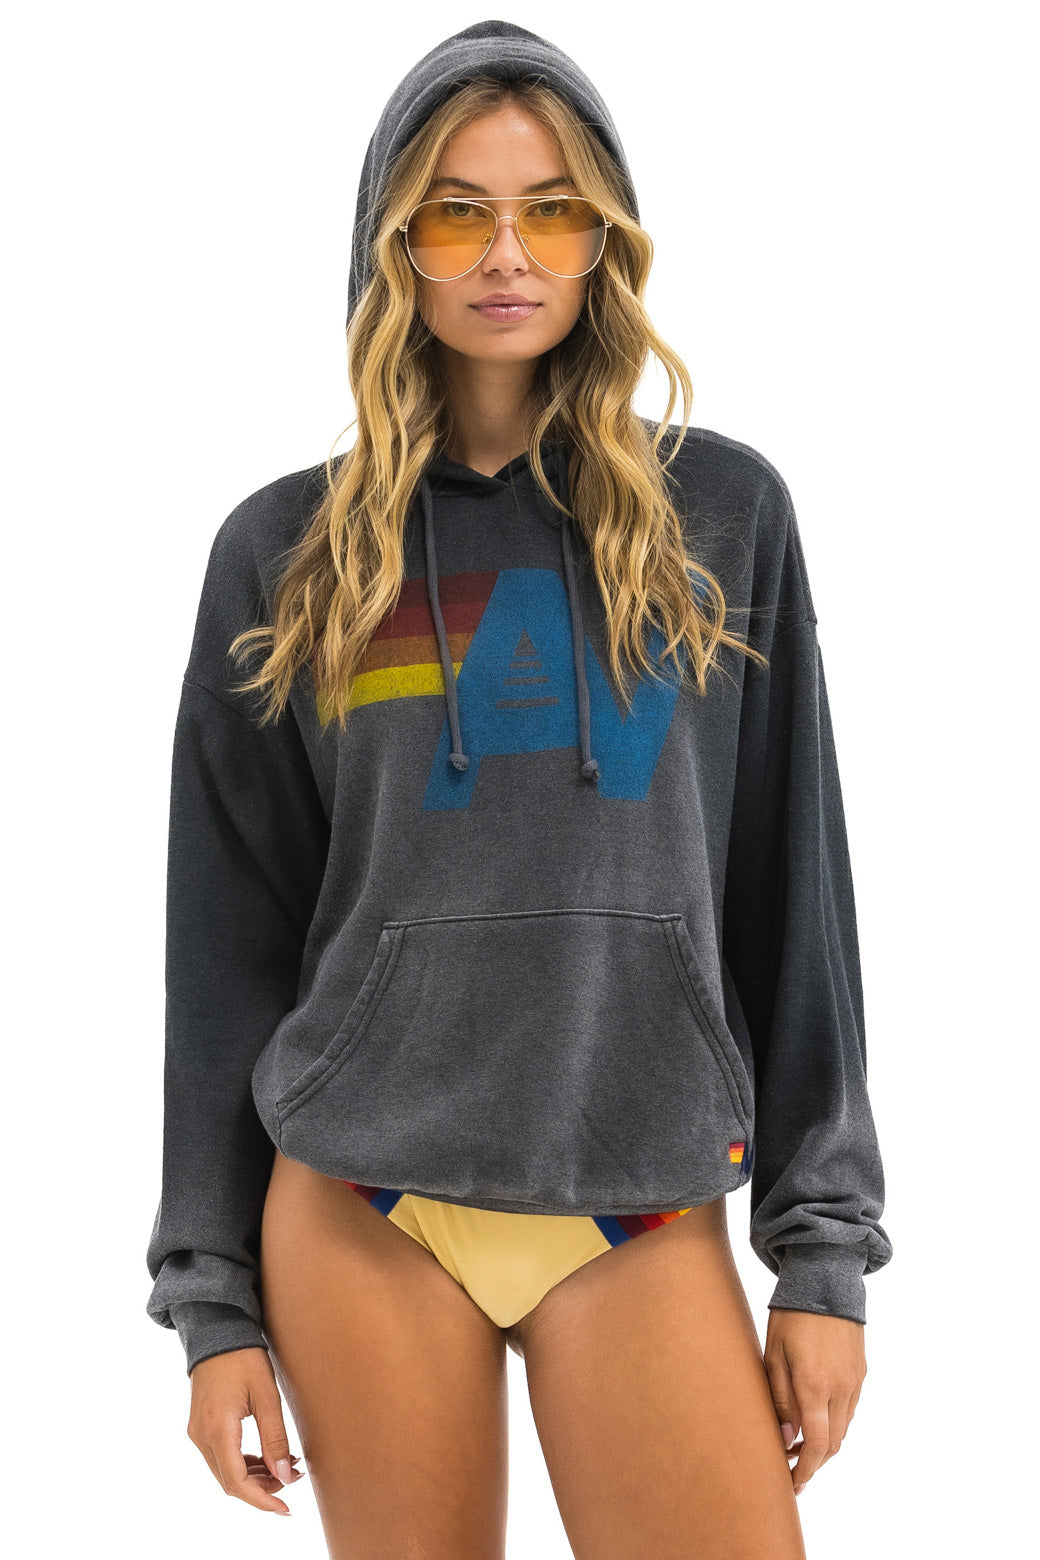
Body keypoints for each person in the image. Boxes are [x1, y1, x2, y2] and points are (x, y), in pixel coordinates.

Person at [145, 19, 893, 1559]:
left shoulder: (720, 516)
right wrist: (212, 1301)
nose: (506, 253)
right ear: (392, 245)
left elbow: (793, 899)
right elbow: (225, 945)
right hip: (358, 1199)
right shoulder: (283, 552)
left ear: (604, 237)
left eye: (551, 209)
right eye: (457, 212)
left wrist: (821, 1255)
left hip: (636, 1189)